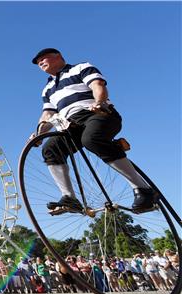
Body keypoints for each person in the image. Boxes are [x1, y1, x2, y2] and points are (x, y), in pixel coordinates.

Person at [29, 48, 156, 214]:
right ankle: (69, 198)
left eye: (43, 58)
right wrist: (39, 134)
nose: (40, 62)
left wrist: (100, 102)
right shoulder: (48, 88)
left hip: (96, 113)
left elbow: (97, 84)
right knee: (51, 149)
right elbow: (48, 114)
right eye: (38, 62)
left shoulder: (80, 68)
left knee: (91, 139)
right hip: (70, 124)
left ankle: (143, 189)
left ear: (58, 56)